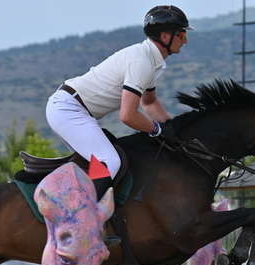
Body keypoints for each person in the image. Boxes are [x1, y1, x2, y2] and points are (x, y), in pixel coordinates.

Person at [45, 5, 189, 198]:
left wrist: (172, 127)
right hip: (68, 110)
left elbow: (149, 103)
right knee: (110, 162)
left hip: (74, 109)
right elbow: (128, 116)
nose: (185, 40)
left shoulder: (151, 60)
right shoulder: (142, 62)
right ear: (165, 36)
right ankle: (79, 211)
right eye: (181, 34)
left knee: (112, 159)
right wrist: (157, 130)